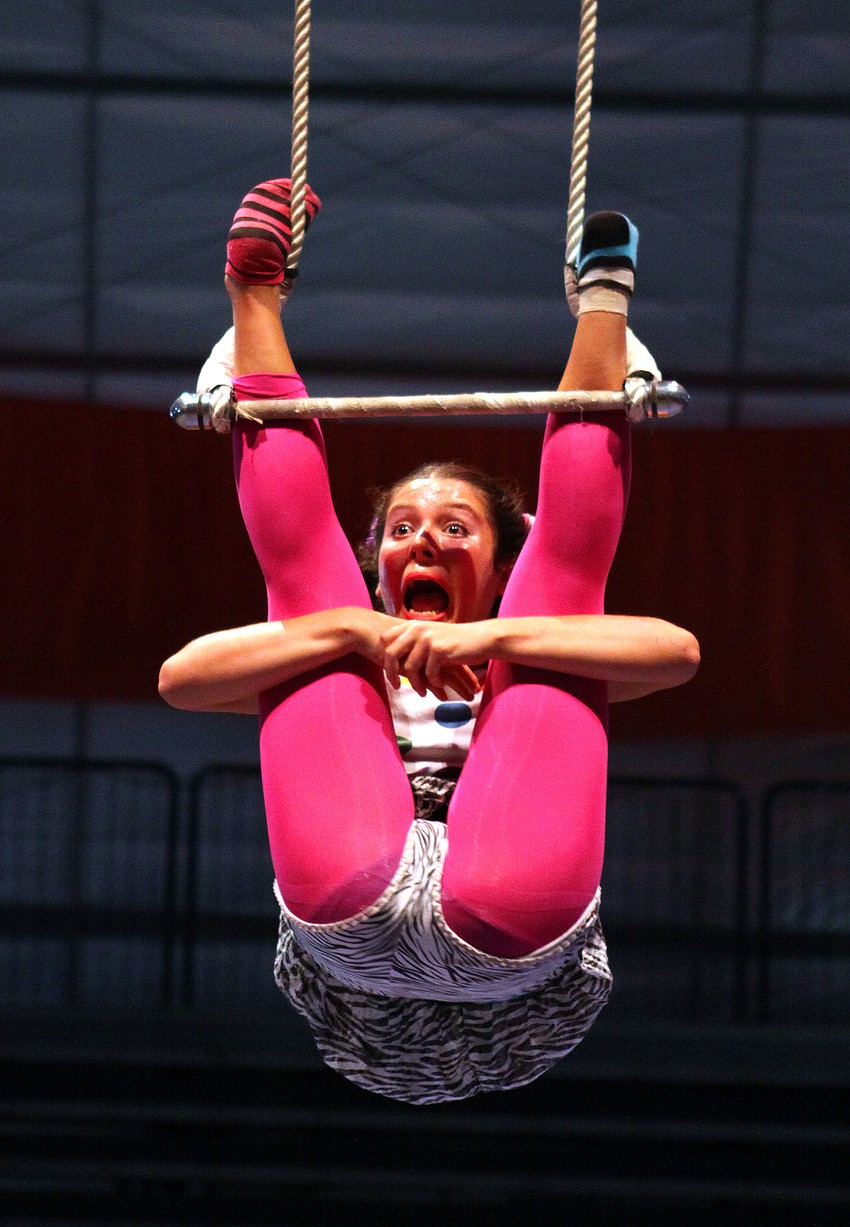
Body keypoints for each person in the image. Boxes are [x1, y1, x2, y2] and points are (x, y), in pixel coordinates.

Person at [159, 179, 700, 1104]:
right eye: (404, 528)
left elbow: (676, 652)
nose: (425, 541)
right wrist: (357, 629)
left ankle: (263, 302)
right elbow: (179, 679)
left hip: (370, 925)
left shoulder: (528, 633)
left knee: (555, 632)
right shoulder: (349, 637)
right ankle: (598, 294)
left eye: (457, 530)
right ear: (377, 565)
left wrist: (492, 639)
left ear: (500, 562)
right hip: (494, 919)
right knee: (311, 629)